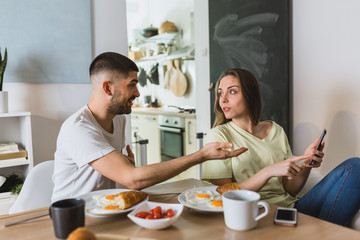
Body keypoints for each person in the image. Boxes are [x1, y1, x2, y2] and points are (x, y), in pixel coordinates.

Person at [51, 52, 247, 203]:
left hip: (104, 209)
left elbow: (122, 178)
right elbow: (133, 180)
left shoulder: (118, 119)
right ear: (108, 88)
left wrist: (125, 168)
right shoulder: (78, 129)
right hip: (74, 218)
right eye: (132, 85)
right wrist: (200, 156)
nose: (137, 92)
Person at [201, 68, 360, 227]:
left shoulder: (275, 130)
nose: (223, 99)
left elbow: (289, 189)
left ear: (250, 95)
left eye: (232, 92)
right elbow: (223, 194)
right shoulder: (218, 136)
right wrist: (268, 171)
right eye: (221, 93)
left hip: (291, 210)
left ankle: (322, 233)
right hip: (257, 214)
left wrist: (306, 164)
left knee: (355, 166)